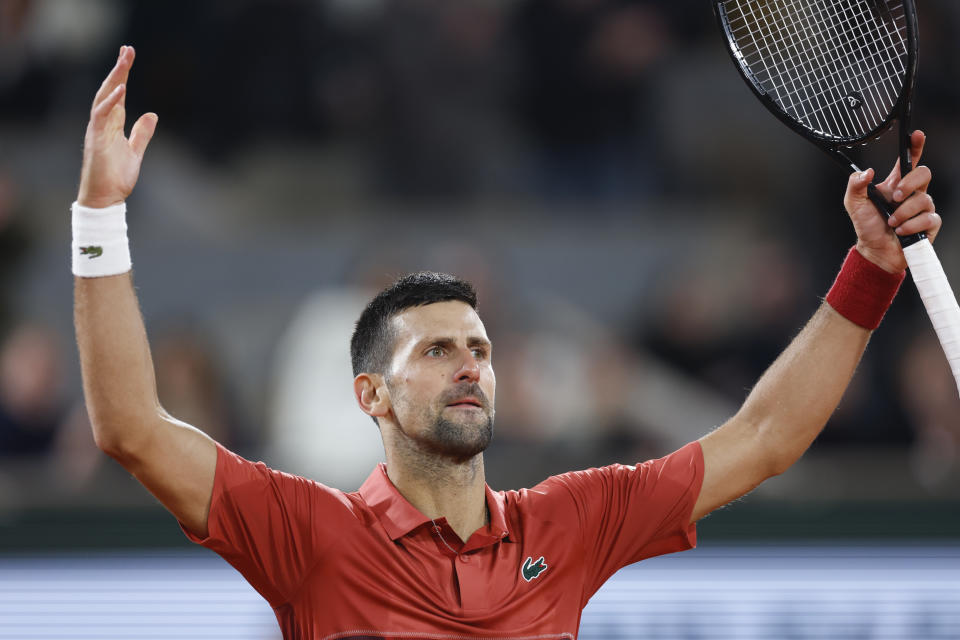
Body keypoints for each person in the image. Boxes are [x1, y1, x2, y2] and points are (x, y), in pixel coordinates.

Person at [74, 46, 942, 639]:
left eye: (481, 349)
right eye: (437, 351)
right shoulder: (307, 533)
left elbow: (764, 438)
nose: (471, 367)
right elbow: (130, 429)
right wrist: (100, 216)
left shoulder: (570, 522)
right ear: (371, 395)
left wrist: (868, 271)